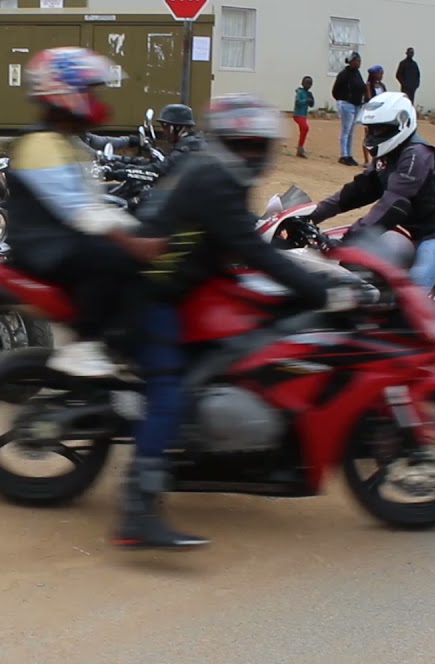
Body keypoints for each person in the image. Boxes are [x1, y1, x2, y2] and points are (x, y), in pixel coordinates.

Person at [122, 94, 367, 550]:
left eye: (261, 144)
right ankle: (137, 509)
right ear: (232, 143)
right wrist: (321, 289)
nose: (256, 154)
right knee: (171, 389)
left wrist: (308, 269)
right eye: (248, 144)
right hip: (151, 289)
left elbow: (242, 238)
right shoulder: (212, 177)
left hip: (189, 282)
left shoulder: (220, 174)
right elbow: (250, 248)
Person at [3, 46, 164, 378]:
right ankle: (83, 345)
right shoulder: (40, 144)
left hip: (60, 239)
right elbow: (81, 214)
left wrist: (143, 230)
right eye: (89, 91)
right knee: (115, 257)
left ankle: (120, 347)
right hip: (44, 247)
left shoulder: (68, 142)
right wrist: (136, 243)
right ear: (65, 93)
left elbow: (94, 202)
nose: (94, 99)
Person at [310, 92, 435, 291]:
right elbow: (357, 191)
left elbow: (394, 203)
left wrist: (351, 238)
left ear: (402, 124)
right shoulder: (387, 157)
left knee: (412, 292)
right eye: (370, 130)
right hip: (417, 233)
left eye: (380, 129)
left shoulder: (417, 154)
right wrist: (313, 215)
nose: (373, 136)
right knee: (376, 273)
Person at [332, 52, 365, 166]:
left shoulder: (357, 74)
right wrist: (342, 100)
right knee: (346, 130)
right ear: (351, 61)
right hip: (347, 104)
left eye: (359, 61)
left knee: (351, 131)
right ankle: (343, 155)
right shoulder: (344, 74)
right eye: (356, 61)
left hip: (356, 105)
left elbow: (361, 86)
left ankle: (349, 155)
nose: (358, 63)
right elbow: (335, 90)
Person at [363, 66, 387, 166]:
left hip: (381, 113)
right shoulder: (369, 85)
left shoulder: (382, 86)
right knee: (368, 135)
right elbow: (369, 98)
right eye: (380, 73)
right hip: (372, 112)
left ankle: (377, 158)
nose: (381, 75)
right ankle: (366, 159)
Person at [293, 76, 314, 158]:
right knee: (305, 128)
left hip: (303, 115)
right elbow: (297, 102)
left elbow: (312, 105)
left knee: (303, 130)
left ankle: (300, 148)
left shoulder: (309, 94)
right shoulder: (300, 92)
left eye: (310, 84)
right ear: (302, 83)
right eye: (307, 83)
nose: (308, 85)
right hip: (298, 114)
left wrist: (311, 99)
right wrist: (306, 100)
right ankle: (300, 147)